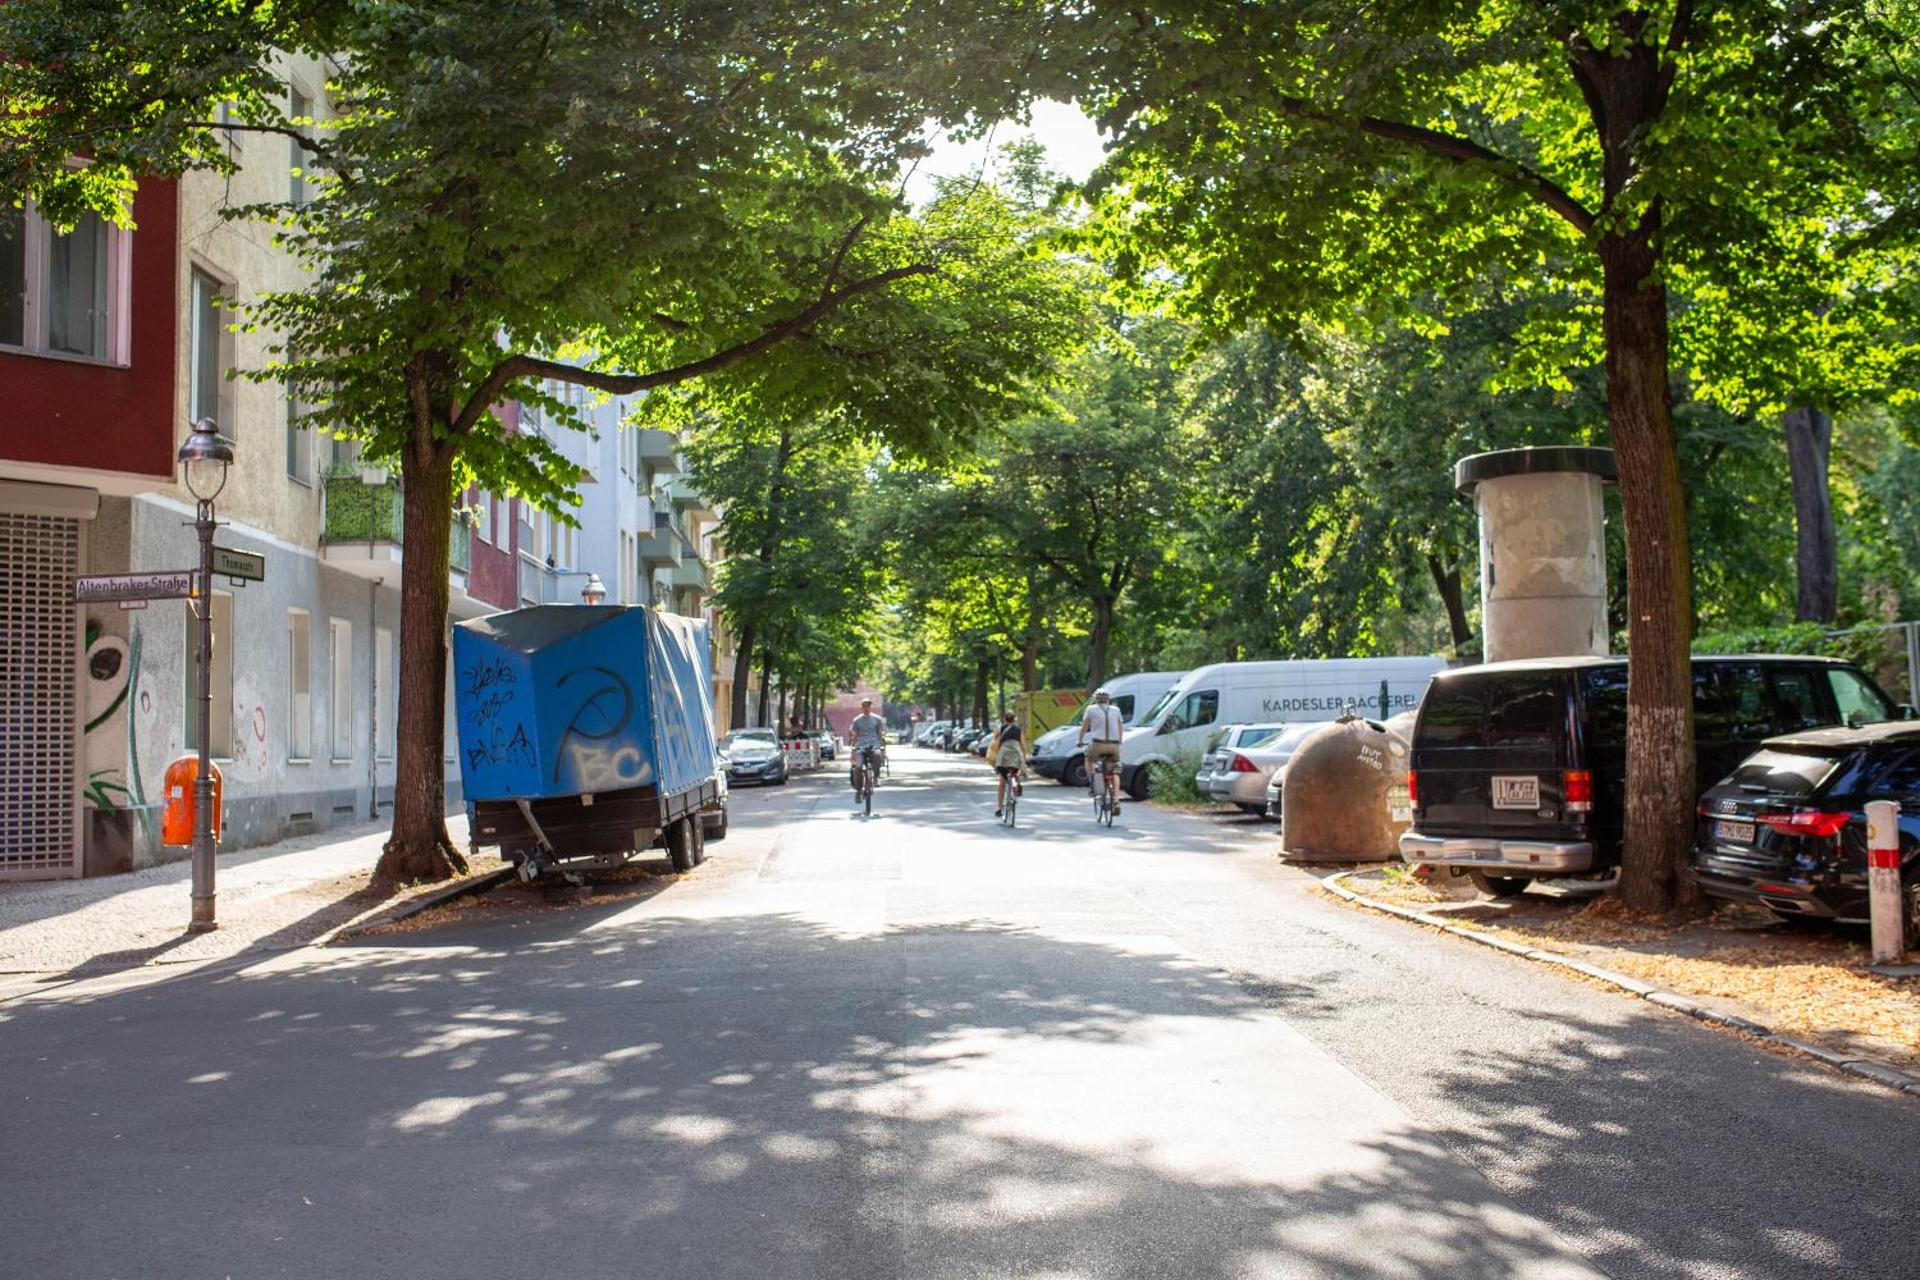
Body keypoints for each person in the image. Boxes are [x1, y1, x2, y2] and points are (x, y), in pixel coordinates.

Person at [1076, 689, 1124, 806]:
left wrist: (1080, 740)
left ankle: (1092, 781)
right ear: (1109, 699)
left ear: (1095, 699)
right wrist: (1119, 741)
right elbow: (1120, 726)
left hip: (1098, 744)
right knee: (1114, 771)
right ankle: (1116, 798)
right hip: (1113, 745)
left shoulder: (1091, 709)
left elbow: (1084, 727)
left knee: (1088, 758)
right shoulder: (1116, 710)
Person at [845, 698, 887, 793]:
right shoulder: (857, 720)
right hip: (861, 746)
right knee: (858, 767)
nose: (866, 708)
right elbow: (854, 737)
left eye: (868, 706)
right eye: (864, 706)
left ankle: (875, 777)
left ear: (870, 707)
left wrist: (883, 750)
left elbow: (880, 735)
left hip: (874, 745)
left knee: (877, 756)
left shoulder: (877, 719)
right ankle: (858, 789)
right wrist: (852, 754)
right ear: (861, 707)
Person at [988, 710, 1024, 816]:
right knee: (1016, 771)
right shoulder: (1019, 730)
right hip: (1016, 757)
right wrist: (1025, 757)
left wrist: (996, 731)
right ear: (1014, 719)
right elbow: (1023, 745)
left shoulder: (1001, 729)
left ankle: (999, 807)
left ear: (1005, 719)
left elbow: (994, 740)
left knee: (1002, 781)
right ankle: (1016, 785)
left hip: (1003, 758)